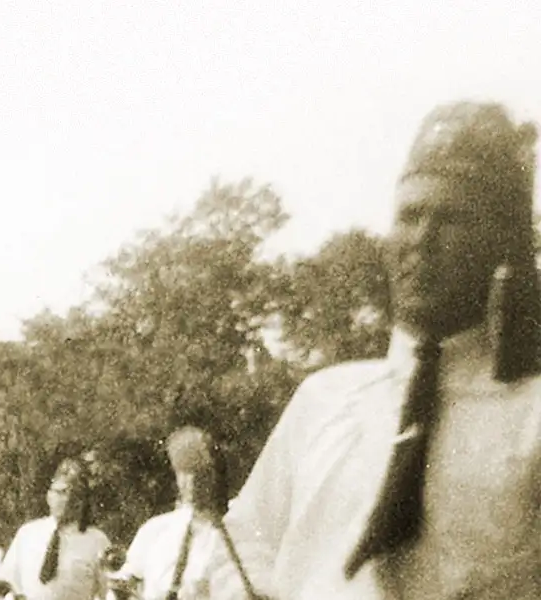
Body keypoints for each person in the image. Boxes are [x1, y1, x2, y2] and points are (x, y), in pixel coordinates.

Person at [216, 102, 541, 598]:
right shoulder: (324, 399)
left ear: (500, 243)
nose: (422, 240)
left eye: (452, 220)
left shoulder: (532, 415)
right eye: (409, 216)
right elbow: (242, 541)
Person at [115, 427, 247, 600]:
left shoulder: (238, 536)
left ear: (216, 477)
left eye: (201, 474)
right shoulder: (155, 531)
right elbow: (123, 585)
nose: (192, 483)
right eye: (184, 473)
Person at [0, 454, 111, 600]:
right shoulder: (27, 534)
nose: (67, 499)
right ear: (48, 495)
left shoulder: (97, 541)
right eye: (60, 492)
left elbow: (110, 592)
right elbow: (7, 584)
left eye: (75, 493)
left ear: (82, 501)